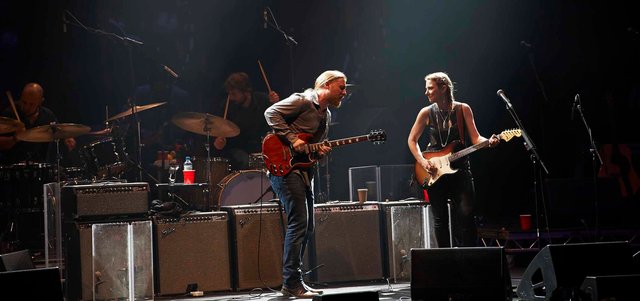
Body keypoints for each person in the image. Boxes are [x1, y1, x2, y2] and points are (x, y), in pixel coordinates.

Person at [264, 70, 347, 298]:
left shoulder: (326, 116)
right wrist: (292, 139)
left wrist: (319, 152)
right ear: (327, 85)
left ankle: (293, 281)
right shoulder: (302, 100)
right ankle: (291, 283)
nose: (344, 92)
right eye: (341, 87)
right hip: (284, 169)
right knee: (299, 224)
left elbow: (311, 149)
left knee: (307, 228)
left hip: (303, 171)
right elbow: (270, 113)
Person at [407, 72, 500, 248]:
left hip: (460, 169)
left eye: (430, 88)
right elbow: (412, 140)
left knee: (466, 217)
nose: (426, 92)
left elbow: (476, 138)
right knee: (440, 219)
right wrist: (422, 161)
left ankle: (468, 257)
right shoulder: (426, 112)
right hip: (433, 170)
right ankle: (445, 260)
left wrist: (488, 142)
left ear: (443, 88)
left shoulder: (463, 109)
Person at [210, 72, 279, 170]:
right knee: (244, 161)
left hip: (260, 146)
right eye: (229, 93)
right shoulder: (227, 105)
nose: (231, 97)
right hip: (237, 148)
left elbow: (278, 118)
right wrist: (218, 142)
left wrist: (277, 104)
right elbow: (218, 130)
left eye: (234, 94)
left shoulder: (263, 100)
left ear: (246, 91)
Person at [0, 82, 58, 165]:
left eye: (31, 104)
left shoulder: (47, 115)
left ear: (40, 102)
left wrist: (68, 138)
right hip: (12, 168)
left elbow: (59, 130)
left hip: (39, 168)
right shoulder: (9, 114)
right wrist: (15, 138)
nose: (26, 107)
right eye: (24, 102)